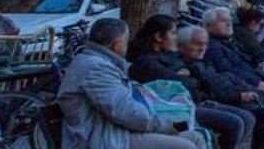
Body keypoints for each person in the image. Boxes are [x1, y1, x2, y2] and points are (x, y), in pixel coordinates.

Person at [58, 19, 204, 149]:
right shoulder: (96, 68)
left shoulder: (97, 62)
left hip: (117, 131)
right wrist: (165, 125)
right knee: (186, 146)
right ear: (117, 45)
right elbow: (124, 111)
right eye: (126, 42)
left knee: (195, 138)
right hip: (105, 139)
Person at [128, 17, 256, 149]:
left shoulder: (168, 55)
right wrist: (191, 77)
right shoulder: (146, 62)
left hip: (195, 100)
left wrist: (190, 72)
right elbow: (184, 84)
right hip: (173, 108)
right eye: (173, 33)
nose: (176, 38)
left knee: (247, 117)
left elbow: (198, 76)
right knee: (234, 123)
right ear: (159, 37)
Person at [202, 8, 264, 139]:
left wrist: (259, 66)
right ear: (208, 26)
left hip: (253, 81)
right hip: (243, 88)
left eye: (230, 20)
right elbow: (226, 71)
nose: (229, 23)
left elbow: (249, 59)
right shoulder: (211, 46)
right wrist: (256, 83)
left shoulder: (230, 41)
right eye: (223, 21)